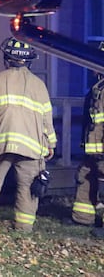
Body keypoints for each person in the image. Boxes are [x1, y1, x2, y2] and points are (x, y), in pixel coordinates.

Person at [0, 38, 57, 232]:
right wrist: (50, 143)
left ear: (7, 58)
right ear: (29, 60)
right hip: (31, 146)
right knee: (27, 188)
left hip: (1, 143)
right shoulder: (39, 85)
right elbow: (46, 119)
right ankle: (23, 227)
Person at [70, 42, 104, 227]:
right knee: (85, 175)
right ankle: (83, 218)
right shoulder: (97, 88)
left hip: (100, 148)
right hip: (95, 149)